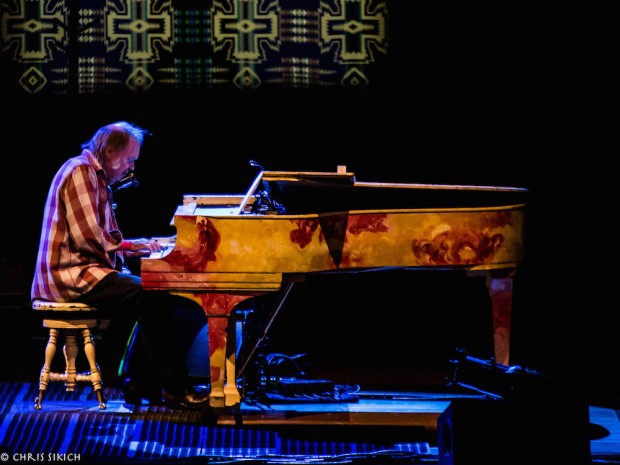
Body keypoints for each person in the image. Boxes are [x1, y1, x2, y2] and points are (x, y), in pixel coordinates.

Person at [31, 121, 210, 409]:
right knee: (147, 294)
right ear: (110, 152)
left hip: (82, 270)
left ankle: (141, 384)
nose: (131, 168)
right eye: (129, 160)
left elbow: (101, 238)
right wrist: (132, 246)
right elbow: (89, 237)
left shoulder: (95, 176)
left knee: (152, 293)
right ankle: (173, 388)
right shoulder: (81, 172)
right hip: (68, 275)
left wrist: (138, 246)